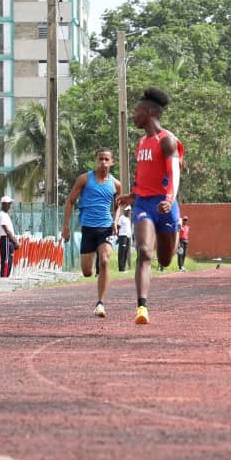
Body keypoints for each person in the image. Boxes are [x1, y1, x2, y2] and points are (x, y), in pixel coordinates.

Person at [115, 87, 183, 325]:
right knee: (144, 252)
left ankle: (169, 250)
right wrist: (131, 197)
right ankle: (142, 307)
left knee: (165, 260)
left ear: (149, 112)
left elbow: (173, 173)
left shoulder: (167, 141)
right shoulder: (141, 143)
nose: (134, 116)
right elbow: (144, 177)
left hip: (165, 205)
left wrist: (169, 200)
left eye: (137, 112)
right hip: (144, 204)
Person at [62, 148, 122, 317]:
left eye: (106, 159)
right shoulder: (84, 179)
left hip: (106, 228)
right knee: (87, 272)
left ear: (112, 162)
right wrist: (66, 226)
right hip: (88, 228)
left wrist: (116, 221)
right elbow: (70, 201)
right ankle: (96, 257)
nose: (103, 162)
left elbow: (119, 205)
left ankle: (100, 303)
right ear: (96, 161)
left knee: (104, 261)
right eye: (100, 159)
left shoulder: (115, 184)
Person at [0, 195, 18, 278]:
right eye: (8, 204)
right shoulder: (2, 215)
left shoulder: (5, 214)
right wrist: (15, 242)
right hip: (6, 239)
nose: (9, 206)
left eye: (10, 204)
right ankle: (4, 278)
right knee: (6, 260)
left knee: (9, 260)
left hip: (8, 239)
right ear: (4, 204)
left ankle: (6, 276)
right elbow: (6, 230)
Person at [116, 206, 133, 272]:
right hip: (123, 236)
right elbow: (118, 227)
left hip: (128, 237)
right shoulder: (122, 218)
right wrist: (118, 236)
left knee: (126, 252)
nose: (129, 212)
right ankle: (121, 268)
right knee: (122, 252)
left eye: (129, 210)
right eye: (127, 210)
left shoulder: (128, 219)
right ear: (125, 211)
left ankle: (124, 267)